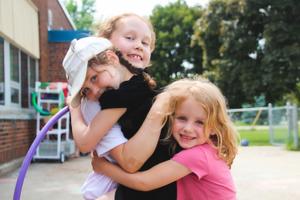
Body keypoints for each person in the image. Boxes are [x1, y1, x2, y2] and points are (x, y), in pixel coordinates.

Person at [63, 14, 176, 200]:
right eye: (85, 91)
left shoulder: (117, 96)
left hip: (152, 176)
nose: (95, 92)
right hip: (157, 173)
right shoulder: (141, 84)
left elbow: (84, 143)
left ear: (111, 56)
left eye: (94, 78)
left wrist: (73, 107)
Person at [91, 77, 239, 200]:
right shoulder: (207, 149)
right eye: (182, 118)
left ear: (214, 127)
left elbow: (144, 182)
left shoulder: (198, 156)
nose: (188, 128)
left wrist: (103, 167)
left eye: (199, 122)